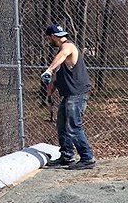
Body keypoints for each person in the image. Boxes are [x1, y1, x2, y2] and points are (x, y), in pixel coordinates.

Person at [41, 24, 96, 170]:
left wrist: (48, 70)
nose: (49, 41)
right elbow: (57, 76)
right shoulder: (60, 53)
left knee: (73, 126)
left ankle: (87, 158)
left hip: (77, 94)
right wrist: (50, 91)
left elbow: (63, 55)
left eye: (48, 39)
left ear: (52, 37)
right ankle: (67, 156)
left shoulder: (68, 47)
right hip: (68, 95)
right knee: (62, 126)